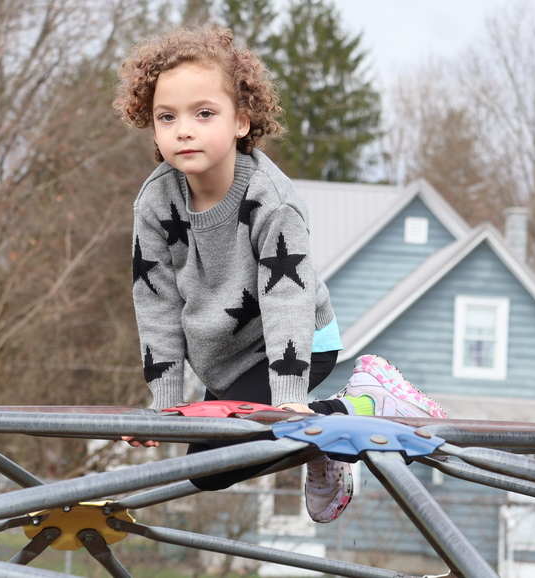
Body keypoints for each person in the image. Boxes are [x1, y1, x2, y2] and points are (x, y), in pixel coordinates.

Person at [113, 24, 446, 524]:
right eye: (167, 117)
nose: (184, 129)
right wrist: (164, 401)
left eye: (204, 114)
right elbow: (155, 301)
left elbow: (287, 295)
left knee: (225, 457)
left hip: (298, 340)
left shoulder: (271, 198)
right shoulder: (156, 202)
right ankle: (322, 447)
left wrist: (290, 399)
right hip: (227, 357)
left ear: (242, 122)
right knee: (209, 465)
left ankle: (364, 402)